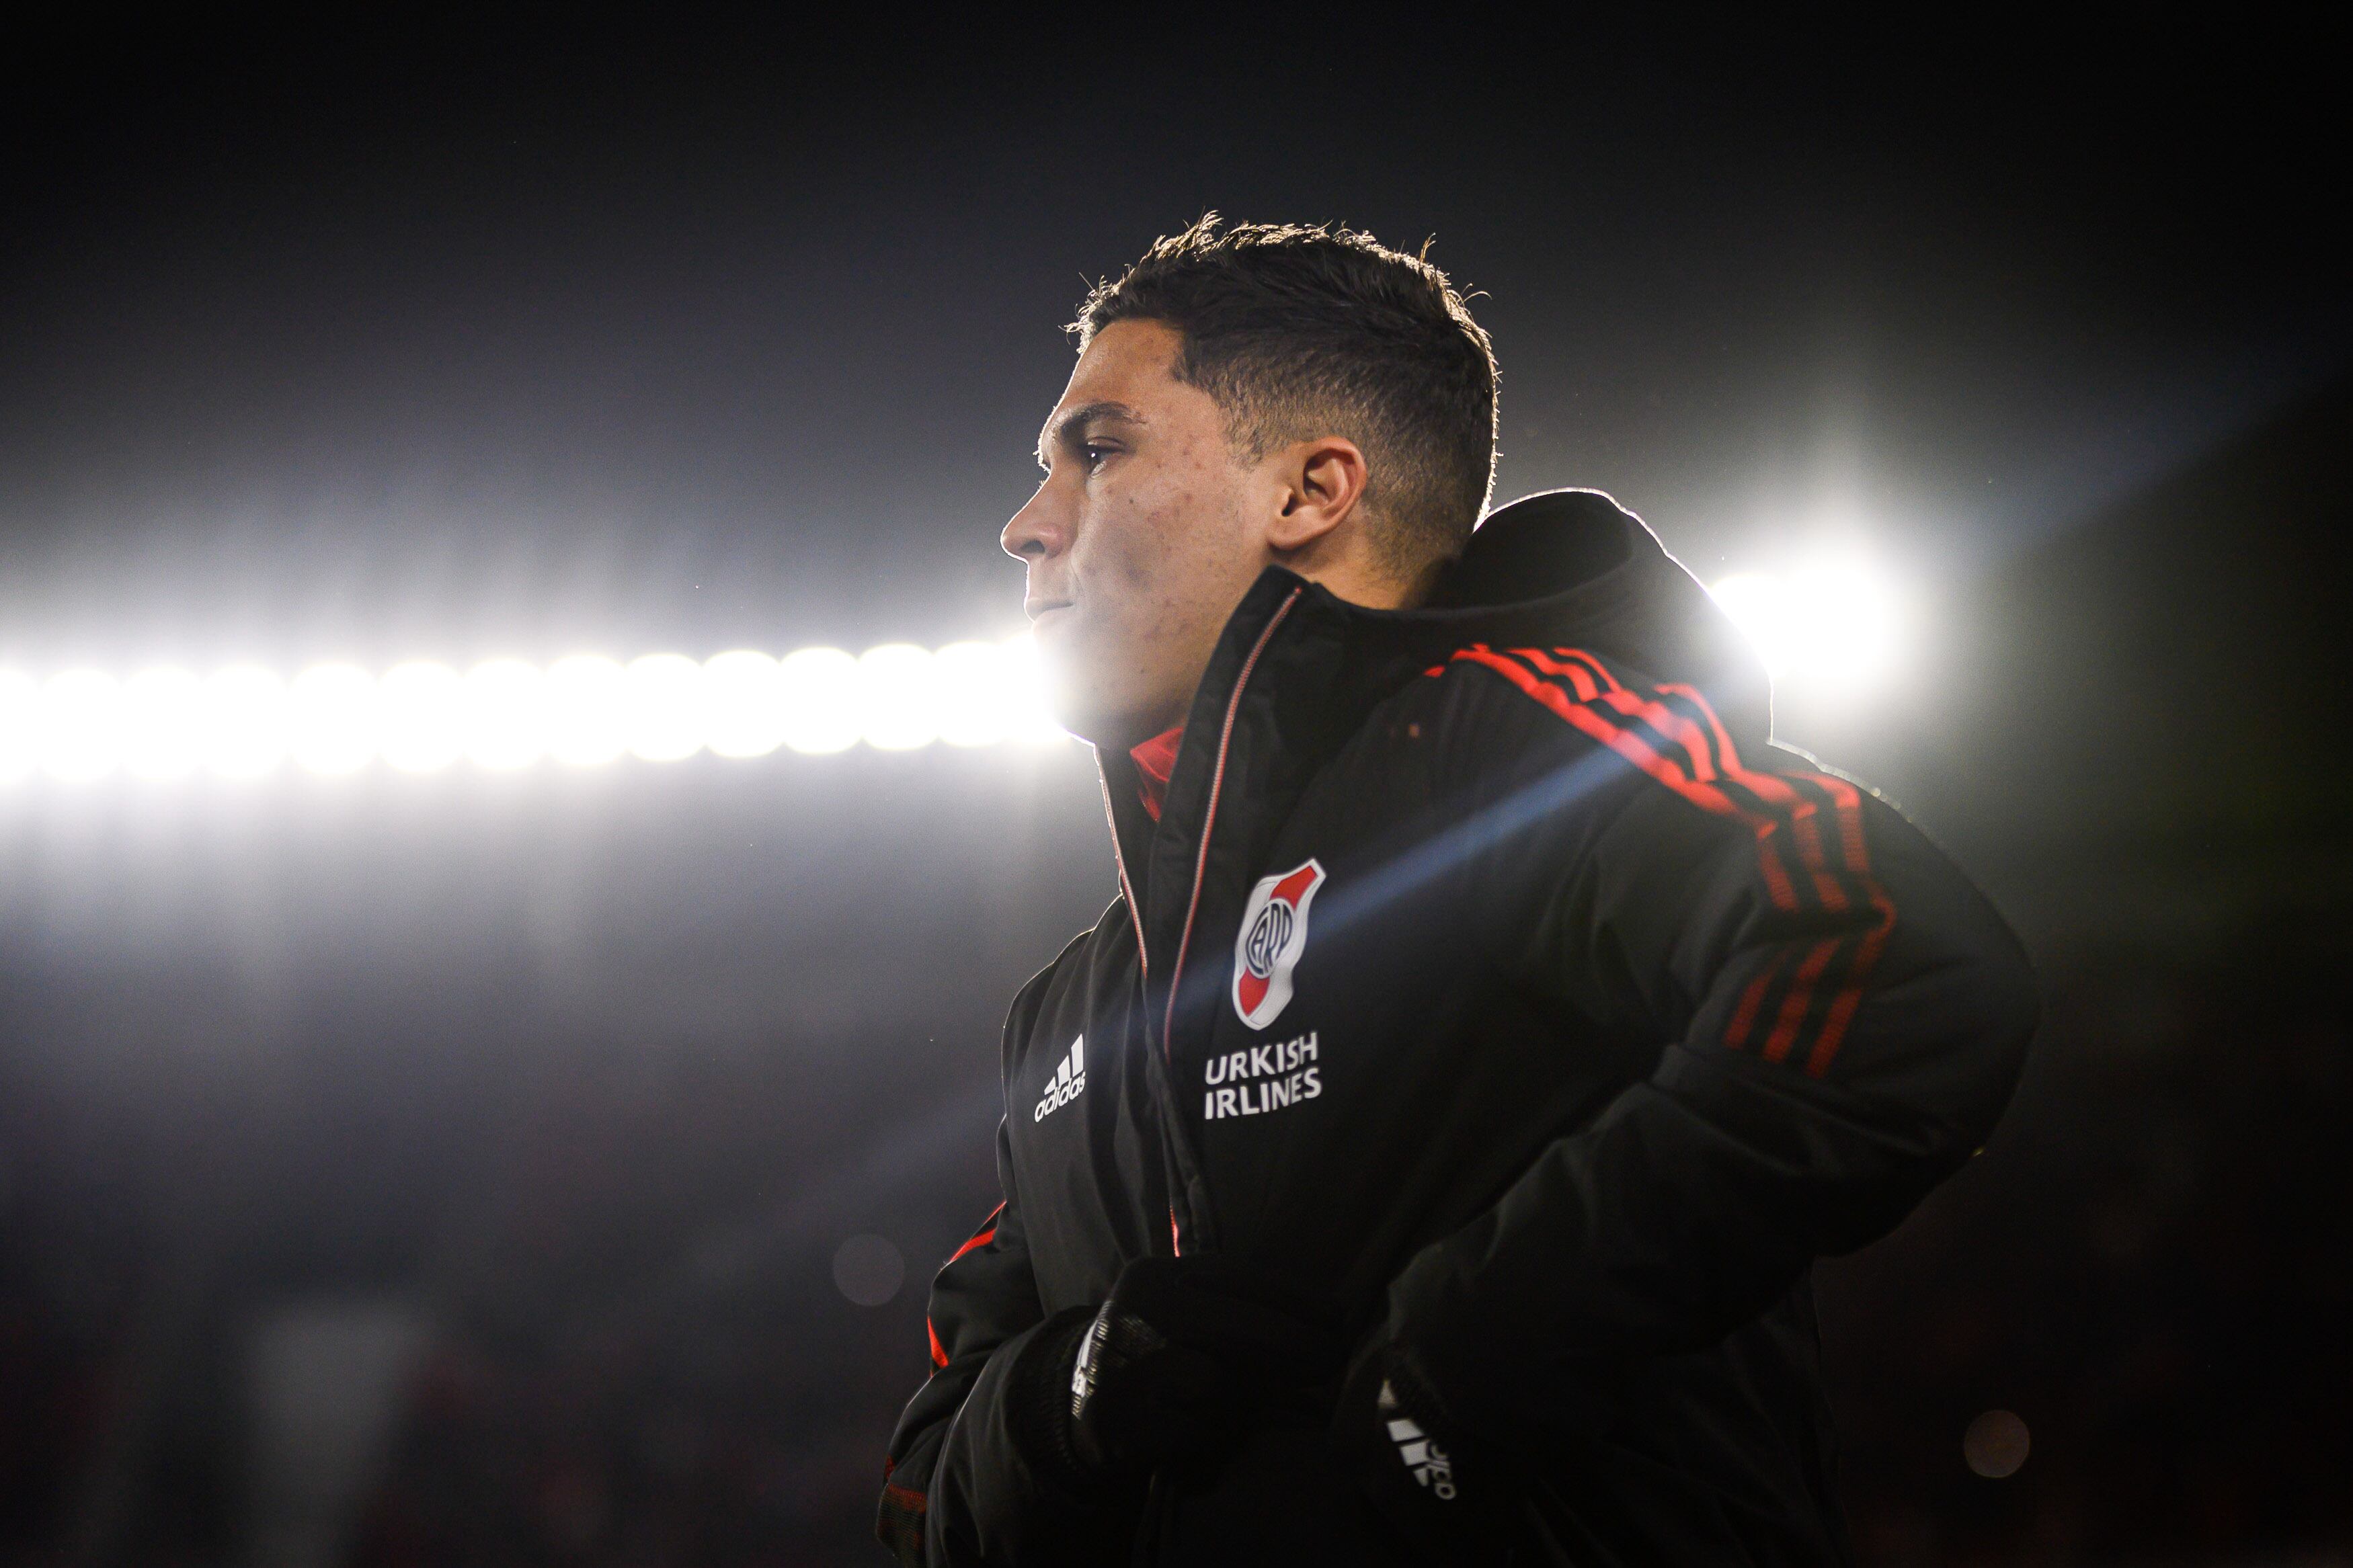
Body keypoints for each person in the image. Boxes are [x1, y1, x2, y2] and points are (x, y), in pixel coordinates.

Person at [875, 217, 2038, 1565]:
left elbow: (1896, 955)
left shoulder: (1504, 756)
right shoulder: (1072, 1011)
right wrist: (1062, 1400)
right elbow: (913, 1510)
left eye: (1101, 449)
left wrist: (1479, 1349)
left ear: (1310, 491)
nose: (1027, 524)